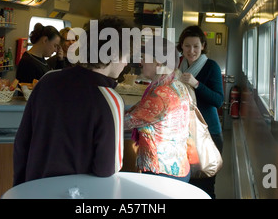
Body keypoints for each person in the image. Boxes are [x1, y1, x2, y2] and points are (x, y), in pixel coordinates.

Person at [13, 17, 130, 186]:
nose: (126, 63)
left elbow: (22, 143)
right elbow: (108, 168)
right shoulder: (110, 99)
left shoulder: (47, 80)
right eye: (126, 56)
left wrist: (20, 188)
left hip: (34, 188)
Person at [124, 36, 192, 182]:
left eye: (144, 58)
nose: (141, 62)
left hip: (162, 173)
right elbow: (140, 111)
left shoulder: (159, 95)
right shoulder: (175, 84)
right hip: (177, 167)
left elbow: (126, 122)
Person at [177, 25, 224, 198]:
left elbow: (218, 100)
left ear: (203, 46)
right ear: (181, 46)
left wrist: (196, 84)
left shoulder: (211, 67)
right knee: (187, 183)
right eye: (187, 46)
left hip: (208, 134)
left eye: (196, 46)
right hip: (185, 134)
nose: (191, 50)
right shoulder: (180, 65)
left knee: (205, 184)